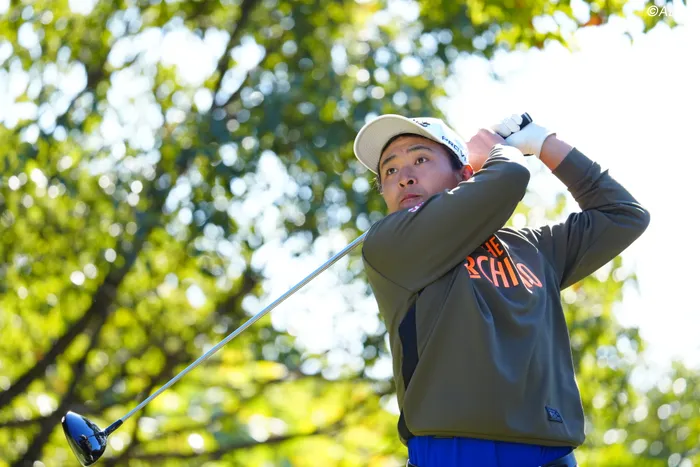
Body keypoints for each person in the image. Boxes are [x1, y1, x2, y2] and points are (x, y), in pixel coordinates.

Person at [352, 113, 651, 467]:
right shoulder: (389, 244)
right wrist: (498, 151)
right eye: (390, 170)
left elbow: (623, 215)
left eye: (420, 159)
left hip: (551, 452)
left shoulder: (533, 248)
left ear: (464, 174)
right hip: (456, 451)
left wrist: (543, 143)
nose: (404, 177)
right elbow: (509, 177)